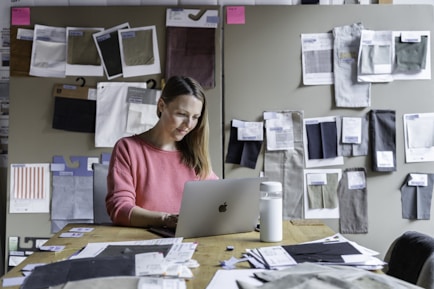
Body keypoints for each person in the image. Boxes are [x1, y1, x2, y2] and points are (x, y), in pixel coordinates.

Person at [106, 76, 219, 229]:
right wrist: (165, 219)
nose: (188, 124)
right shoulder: (128, 148)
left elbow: (220, 198)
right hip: (143, 242)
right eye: (181, 114)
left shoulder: (194, 154)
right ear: (161, 106)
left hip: (189, 243)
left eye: (195, 117)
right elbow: (119, 209)